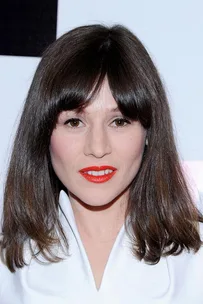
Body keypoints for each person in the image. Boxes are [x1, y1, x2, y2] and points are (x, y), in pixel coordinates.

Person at [0, 24, 202, 304]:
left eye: (119, 121)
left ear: (148, 132)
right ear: (43, 133)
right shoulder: (7, 269)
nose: (97, 148)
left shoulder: (197, 261)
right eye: (74, 121)